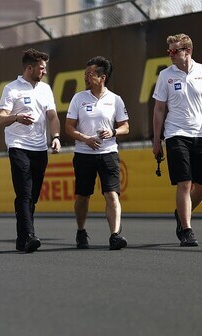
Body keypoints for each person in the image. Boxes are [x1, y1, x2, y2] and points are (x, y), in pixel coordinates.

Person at [152, 33, 202, 247]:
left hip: (201, 135)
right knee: (184, 183)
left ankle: (181, 212)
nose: (171, 55)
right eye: (169, 51)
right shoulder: (165, 75)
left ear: (188, 51)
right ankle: (187, 230)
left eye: (175, 51)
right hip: (176, 135)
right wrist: (157, 140)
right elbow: (159, 110)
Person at [0, 49, 61, 253]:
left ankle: (21, 238)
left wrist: (56, 137)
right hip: (18, 146)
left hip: (40, 148)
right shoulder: (11, 89)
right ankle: (30, 235)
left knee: (32, 196)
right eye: (41, 68)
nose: (44, 71)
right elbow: (0, 119)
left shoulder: (46, 89)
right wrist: (16, 118)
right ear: (29, 68)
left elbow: (52, 116)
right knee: (24, 193)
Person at [65, 56, 130, 250]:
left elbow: (125, 126)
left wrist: (114, 132)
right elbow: (69, 127)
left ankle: (115, 235)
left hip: (108, 153)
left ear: (102, 77)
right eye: (85, 74)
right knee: (83, 196)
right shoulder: (78, 98)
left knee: (112, 195)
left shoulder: (115, 99)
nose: (86, 77)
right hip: (84, 154)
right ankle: (81, 230)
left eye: (90, 74)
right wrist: (85, 138)